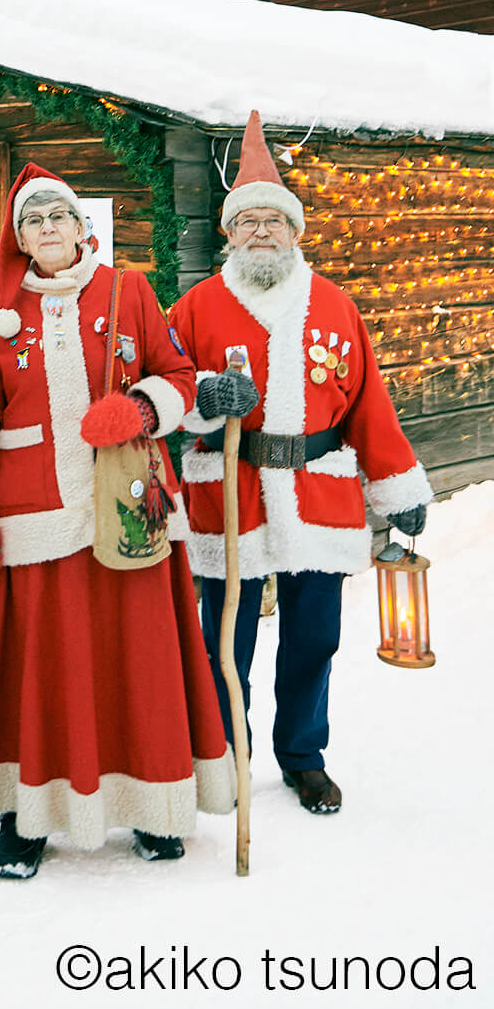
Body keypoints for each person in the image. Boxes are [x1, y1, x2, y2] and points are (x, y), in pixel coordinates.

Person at [0, 162, 236, 879]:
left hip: (129, 504)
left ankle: (154, 807)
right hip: (35, 519)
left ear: (83, 227)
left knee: (139, 661)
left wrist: (139, 409)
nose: (48, 228)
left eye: (59, 216)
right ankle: (29, 815)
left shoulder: (127, 290)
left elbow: (176, 375)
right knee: (39, 668)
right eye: (34, 221)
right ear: (19, 239)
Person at [168, 111, 432, 816]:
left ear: (295, 232)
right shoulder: (196, 307)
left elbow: (369, 405)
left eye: (273, 221)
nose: (261, 231)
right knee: (227, 636)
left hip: (319, 490)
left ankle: (302, 756)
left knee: (314, 636)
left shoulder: (336, 308)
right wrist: (201, 397)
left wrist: (396, 487)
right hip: (231, 491)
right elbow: (162, 392)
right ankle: (224, 753)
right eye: (246, 221)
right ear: (229, 234)